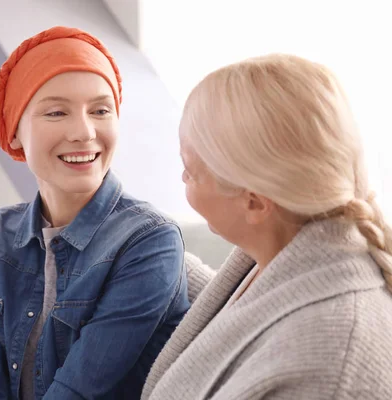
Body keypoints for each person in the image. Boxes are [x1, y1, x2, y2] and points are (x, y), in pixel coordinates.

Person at [0, 26, 191, 400]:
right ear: (15, 132)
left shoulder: (150, 241)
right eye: (57, 112)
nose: (84, 132)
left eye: (100, 110)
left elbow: (79, 391)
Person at [142, 54, 392, 399]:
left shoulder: (326, 372)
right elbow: (249, 320)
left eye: (191, 171)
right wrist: (149, 250)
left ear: (254, 202)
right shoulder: (291, 245)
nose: (182, 177)